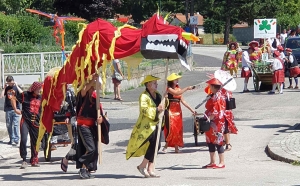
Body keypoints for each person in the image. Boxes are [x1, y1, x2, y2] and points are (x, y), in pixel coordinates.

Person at [126, 75, 164, 178]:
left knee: (157, 145)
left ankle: (150, 168)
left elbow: (163, 106)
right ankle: (143, 166)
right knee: (152, 144)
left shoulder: (158, 95)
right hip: (147, 125)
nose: (156, 85)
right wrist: (156, 109)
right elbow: (144, 110)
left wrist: (166, 100)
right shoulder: (143, 96)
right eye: (154, 83)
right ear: (148, 85)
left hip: (157, 123)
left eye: (156, 83)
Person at [75, 74, 104, 179]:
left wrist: (101, 119)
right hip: (83, 126)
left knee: (92, 149)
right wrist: (93, 79)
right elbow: (83, 90)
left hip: (92, 127)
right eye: (93, 86)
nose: (94, 88)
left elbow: (100, 114)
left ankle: (86, 169)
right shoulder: (82, 94)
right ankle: (82, 168)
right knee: (90, 148)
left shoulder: (96, 98)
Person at [10, 81, 43, 169]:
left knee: (35, 142)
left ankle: (34, 159)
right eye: (39, 88)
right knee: (24, 139)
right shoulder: (25, 95)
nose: (40, 90)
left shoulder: (41, 98)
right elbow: (12, 97)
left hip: (36, 122)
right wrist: (15, 109)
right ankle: (24, 160)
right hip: (25, 121)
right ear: (34, 88)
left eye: (40, 88)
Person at [162, 73, 195, 153]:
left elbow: (183, 101)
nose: (177, 80)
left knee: (178, 130)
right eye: (175, 79)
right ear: (172, 81)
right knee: (172, 129)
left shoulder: (178, 88)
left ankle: (176, 148)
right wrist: (187, 88)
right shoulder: (169, 89)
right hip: (170, 111)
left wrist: (191, 110)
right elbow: (176, 94)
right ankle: (167, 144)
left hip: (178, 111)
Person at [202, 78, 226, 169]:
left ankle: (222, 162)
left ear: (213, 86)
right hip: (211, 121)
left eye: (210, 86)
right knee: (210, 141)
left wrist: (208, 118)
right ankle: (212, 161)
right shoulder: (213, 95)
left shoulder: (218, 96)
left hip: (217, 122)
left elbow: (216, 111)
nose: (209, 88)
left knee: (218, 142)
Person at [59, 85, 77, 172]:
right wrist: (67, 116)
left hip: (86, 117)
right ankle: (68, 158)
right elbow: (68, 105)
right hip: (74, 118)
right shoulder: (69, 92)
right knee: (76, 141)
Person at [0, 75, 22, 145]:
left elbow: (22, 93)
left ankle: (16, 139)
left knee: (15, 124)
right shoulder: (7, 88)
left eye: (11, 82)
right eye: (8, 83)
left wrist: (17, 85)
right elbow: (1, 96)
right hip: (8, 109)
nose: (10, 84)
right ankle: (11, 139)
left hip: (16, 108)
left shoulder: (16, 87)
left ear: (13, 81)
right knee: (9, 125)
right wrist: (4, 88)